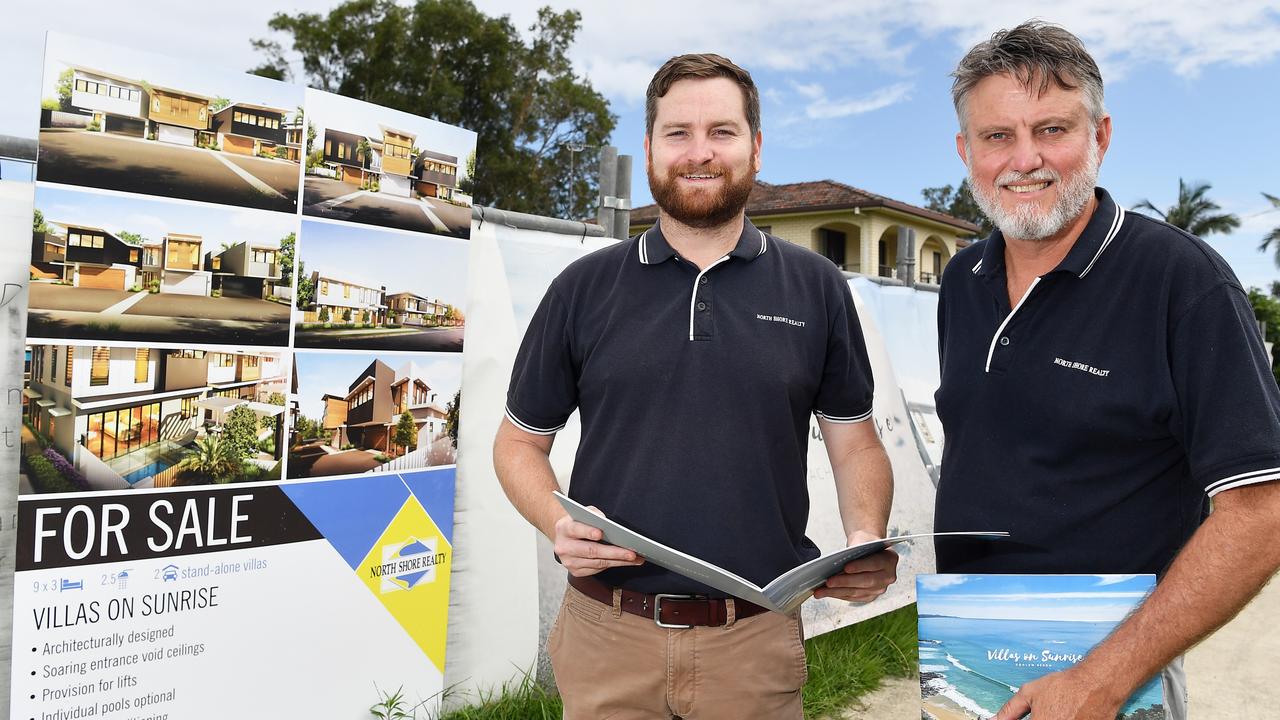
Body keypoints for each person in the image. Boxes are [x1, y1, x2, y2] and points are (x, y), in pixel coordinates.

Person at [493, 53, 899, 719]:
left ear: (756, 148)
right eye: (678, 133)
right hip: (606, 638)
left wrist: (862, 538)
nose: (699, 152)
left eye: (723, 132)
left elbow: (855, 447)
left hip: (756, 642)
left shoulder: (816, 287)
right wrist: (556, 521)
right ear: (650, 148)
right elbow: (516, 445)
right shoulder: (581, 289)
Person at [933, 20, 1280, 720]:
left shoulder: (1183, 283)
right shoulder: (962, 278)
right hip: (962, 647)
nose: (1025, 159)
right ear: (966, 150)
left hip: (1117, 670)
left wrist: (1104, 678)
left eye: (1052, 129)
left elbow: (1263, 508)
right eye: (998, 136)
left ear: (1102, 135)